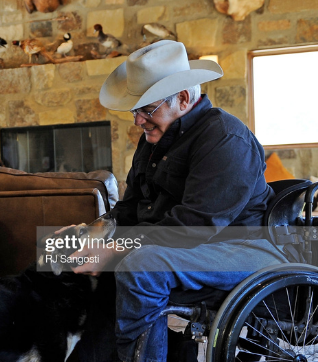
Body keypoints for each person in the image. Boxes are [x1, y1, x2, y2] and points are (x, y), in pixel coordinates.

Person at [70, 40, 288, 362]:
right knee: (72, 250)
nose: (138, 121)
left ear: (183, 98)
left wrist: (118, 249)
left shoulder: (226, 139)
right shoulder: (153, 139)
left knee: (141, 266)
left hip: (243, 249)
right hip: (186, 245)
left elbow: (193, 228)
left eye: (146, 110)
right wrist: (100, 231)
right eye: (136, 111)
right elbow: (129, 208)